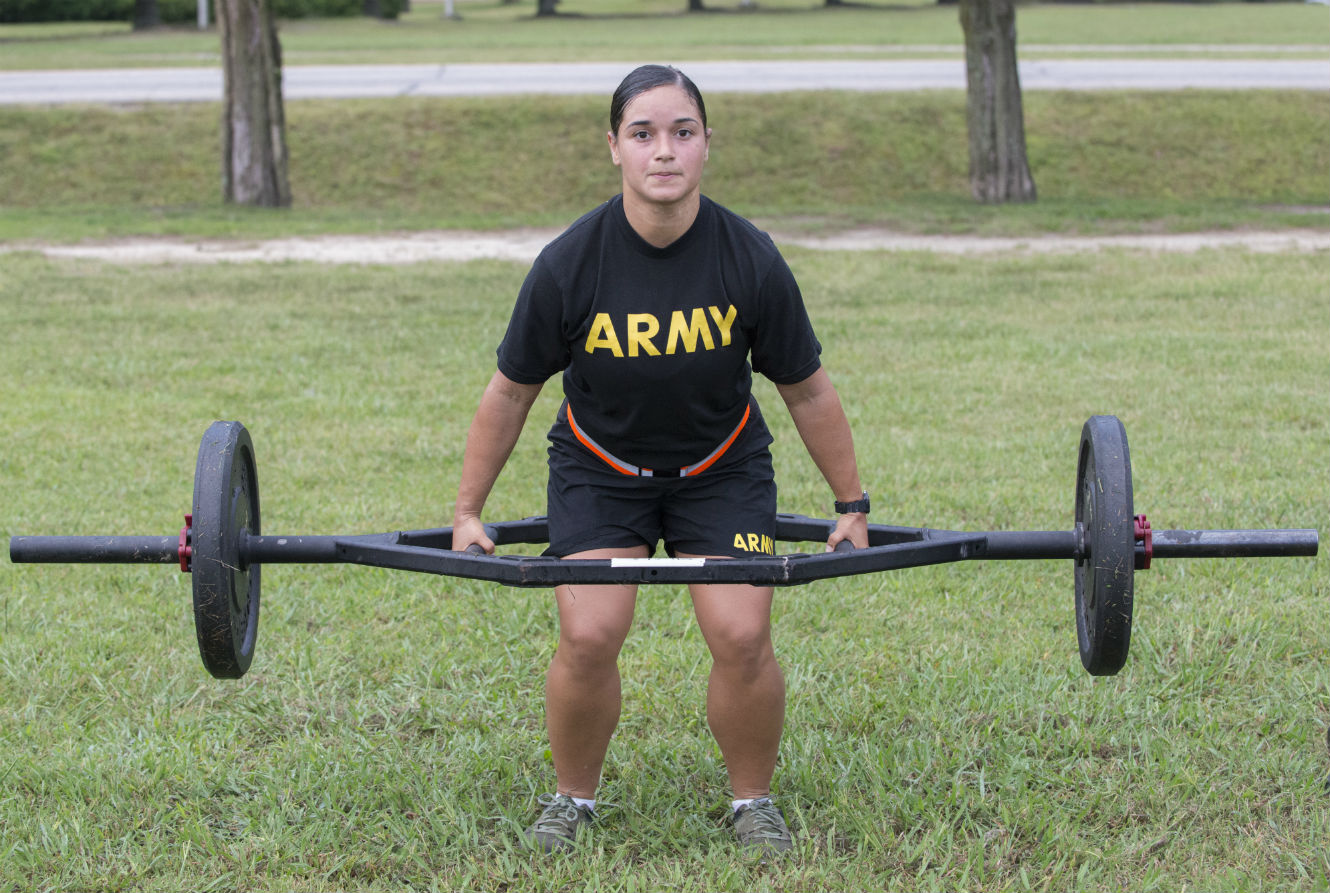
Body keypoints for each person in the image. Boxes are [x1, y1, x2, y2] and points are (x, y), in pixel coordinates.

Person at [450, 64, 869, 856]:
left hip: (723, 469)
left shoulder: (750, 257)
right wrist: (468, 512)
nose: (664, 151)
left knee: (742, 632)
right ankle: (572, 797)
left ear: (708, 145)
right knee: (590, 631)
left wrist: (852, 505)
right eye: (643, 134)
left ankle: (753, 800)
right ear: (614, 147)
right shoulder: (570, 262)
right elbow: (510, 394)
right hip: (600, 471)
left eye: (682, 132)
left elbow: (807, 391)